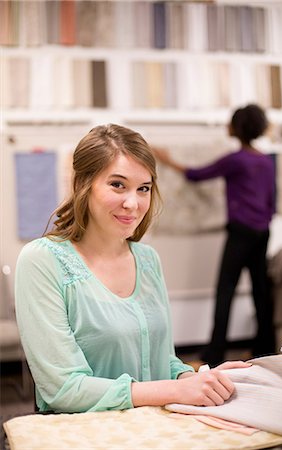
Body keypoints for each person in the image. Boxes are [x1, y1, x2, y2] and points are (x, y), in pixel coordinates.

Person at [15, 124, 249, 413]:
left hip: (151, 432)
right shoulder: (42, 261)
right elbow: (64, 389)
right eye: (117, 185)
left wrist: (199, 379)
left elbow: (163, 361)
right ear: (81, 184)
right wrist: (176, 389)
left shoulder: (148, 259)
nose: (132, 203)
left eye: (144, 189)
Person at [153, 104, 276, 366]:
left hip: (241, 232)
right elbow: (271, 201)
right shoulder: (265, 161)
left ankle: (214, 355)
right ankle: (264, 351)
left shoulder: (236, 159)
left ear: (237, 128)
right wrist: (262, 223)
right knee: (261, 292)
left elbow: (197, 175)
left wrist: (167, 160)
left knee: (225, 291)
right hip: (262, 231)